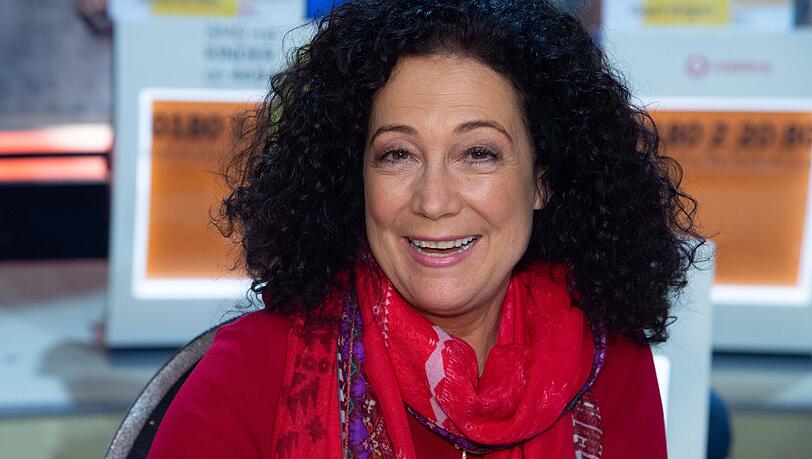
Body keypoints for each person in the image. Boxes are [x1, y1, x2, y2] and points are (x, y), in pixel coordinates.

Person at [148, 0, 703, 457]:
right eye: (398, 154)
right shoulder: (254, 371)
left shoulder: (609, 366)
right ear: (355, 177)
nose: (433, 201)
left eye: (478, 153)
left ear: (542, 182)